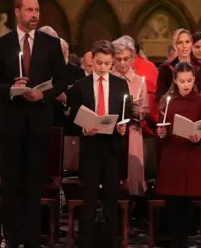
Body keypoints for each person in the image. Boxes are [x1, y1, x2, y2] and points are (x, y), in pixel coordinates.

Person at [0, 0, 67, 248]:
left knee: (33, 184)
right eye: (30, 10)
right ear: (18, 12)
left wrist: (44, 93)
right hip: (10, 125)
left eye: (37, 10)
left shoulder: (51, 44)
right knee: (10, 185)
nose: (35, 15)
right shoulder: (1, 45)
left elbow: (62, 81)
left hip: (38, 124)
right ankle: (12, 237)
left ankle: (32, 239)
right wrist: (11, 88)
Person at [68, 40, 129, 248]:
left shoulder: (121, 84)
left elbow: (125, 114)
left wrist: (122, 127)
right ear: (92, 60)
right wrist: (84, 128)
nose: (102, 68)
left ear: (112, 64)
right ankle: (86, 242)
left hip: (112, 148)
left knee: (111, 199)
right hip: (90, 149)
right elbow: (72, 114)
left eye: (106, 64)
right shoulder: (80, 86)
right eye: (99, 63)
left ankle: (110, 241)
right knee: (89, 198)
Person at [155, 62, 201, 248]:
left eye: (189, 80)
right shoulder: (167, 100)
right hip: (173, 157)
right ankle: (174, 241)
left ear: (194, 79)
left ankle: (183, 241)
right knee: (172, 203)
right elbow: (163, 129)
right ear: (175, 81)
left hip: (192, 158)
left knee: (187, 204)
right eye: (182, 81)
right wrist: (161, 133)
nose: (186, 85)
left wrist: (198, 137)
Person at [111, 36, 149, 195]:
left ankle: (132, 210)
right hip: (112, 132)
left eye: (126, 59)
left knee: (132, 177)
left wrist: (137, 111)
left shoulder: (139, 81)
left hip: (132, 132)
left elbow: (145, 110)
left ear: (132, 59)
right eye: (118, 59)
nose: (122, 63)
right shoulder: (109, 79)